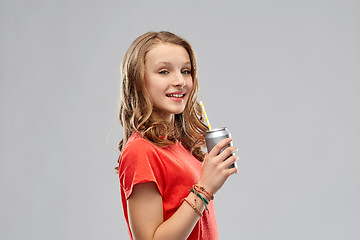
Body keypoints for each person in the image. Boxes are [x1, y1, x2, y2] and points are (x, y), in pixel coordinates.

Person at [117, 31, 238, 240]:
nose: (180, 81)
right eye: (164, 72)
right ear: (138, 80)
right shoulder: (140, 150)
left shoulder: (178, 145)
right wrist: (205, 188)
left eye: (186, 71)